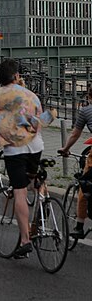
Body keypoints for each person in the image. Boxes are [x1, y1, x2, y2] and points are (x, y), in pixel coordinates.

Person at [0, 59, 47, 260]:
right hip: (36, 146)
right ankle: (43, 209)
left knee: (19, 191)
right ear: (17, 76)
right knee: (36, 181)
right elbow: (43, 120)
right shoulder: (32, 95)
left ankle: (25, 240)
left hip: (14, 151)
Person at [58, 84, 92, 238]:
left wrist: (65, 149)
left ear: (89, 97)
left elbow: (75, 134)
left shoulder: (86, 111)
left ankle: (79, 226)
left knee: (84, 187)